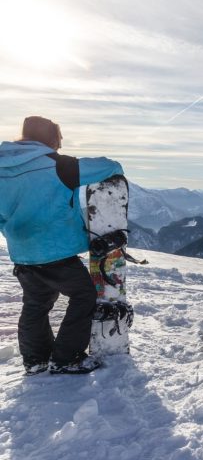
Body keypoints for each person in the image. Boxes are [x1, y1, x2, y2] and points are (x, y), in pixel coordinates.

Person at [0, 116, 124, 374]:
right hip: (55, 251)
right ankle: (67, 358)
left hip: (22, 252)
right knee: (84, 296)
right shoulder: (58, 166)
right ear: (51, 138)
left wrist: (14, 232)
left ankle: (36, 360)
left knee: (36, 303)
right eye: (59, 138)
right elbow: (110, 166)